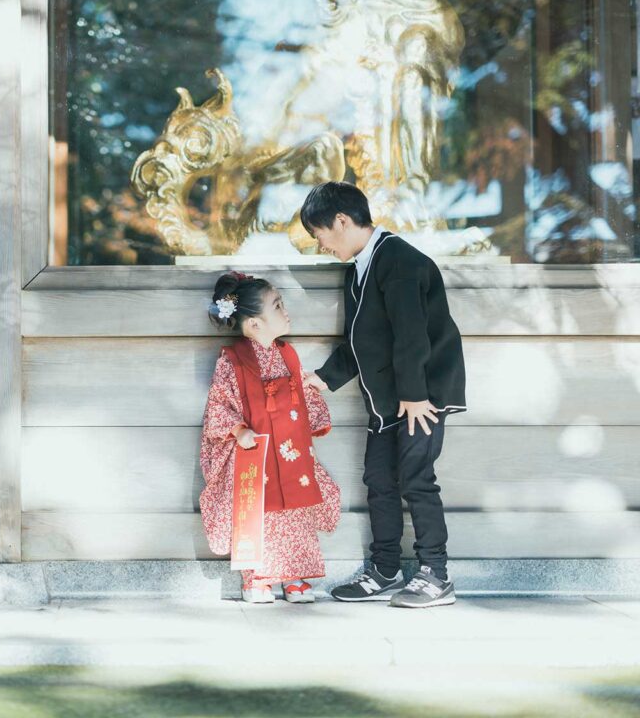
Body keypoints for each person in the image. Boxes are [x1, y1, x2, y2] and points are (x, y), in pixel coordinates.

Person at [300, 181, 465, 609]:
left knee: (417, 480)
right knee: (378, 480)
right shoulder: (359, 266)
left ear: (340, 221)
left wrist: (413, 395)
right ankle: (386, 570)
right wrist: (324, 377)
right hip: (389, 399)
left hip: (420, 397)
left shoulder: (399, 260)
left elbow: (412, 336)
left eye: (319, 233)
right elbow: (363, 339)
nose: (320, 244)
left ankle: (436, 576)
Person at [199, 271, 341, 603]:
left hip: (291, 452)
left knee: (296, 511)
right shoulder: (232, 361)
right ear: (253, 325)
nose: (286, 312)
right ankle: (257, 579)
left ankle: (293, 577)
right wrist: (239, 430)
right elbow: (218, 404)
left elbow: (303, 396)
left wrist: (312, 421)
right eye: (277, 306)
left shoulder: (288, 355)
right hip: (256, 453)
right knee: (257, 514)